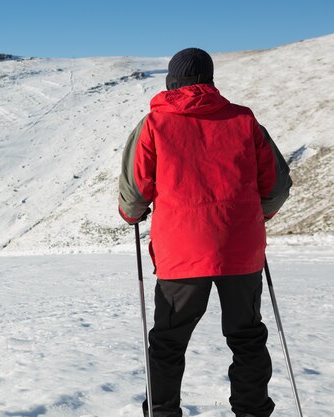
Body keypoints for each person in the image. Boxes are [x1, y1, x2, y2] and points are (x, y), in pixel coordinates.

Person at [118, 48, 292, 417]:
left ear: (171, 82)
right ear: (211, 81)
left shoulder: (154, 124)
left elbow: (135, 190)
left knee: (168, 342)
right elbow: (276, 185)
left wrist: (131, 214)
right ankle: (252, 411)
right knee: (246, 337)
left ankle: (163, 412)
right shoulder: (245, 122)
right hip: (241, 250)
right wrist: (252, 217)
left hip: (181, 255)